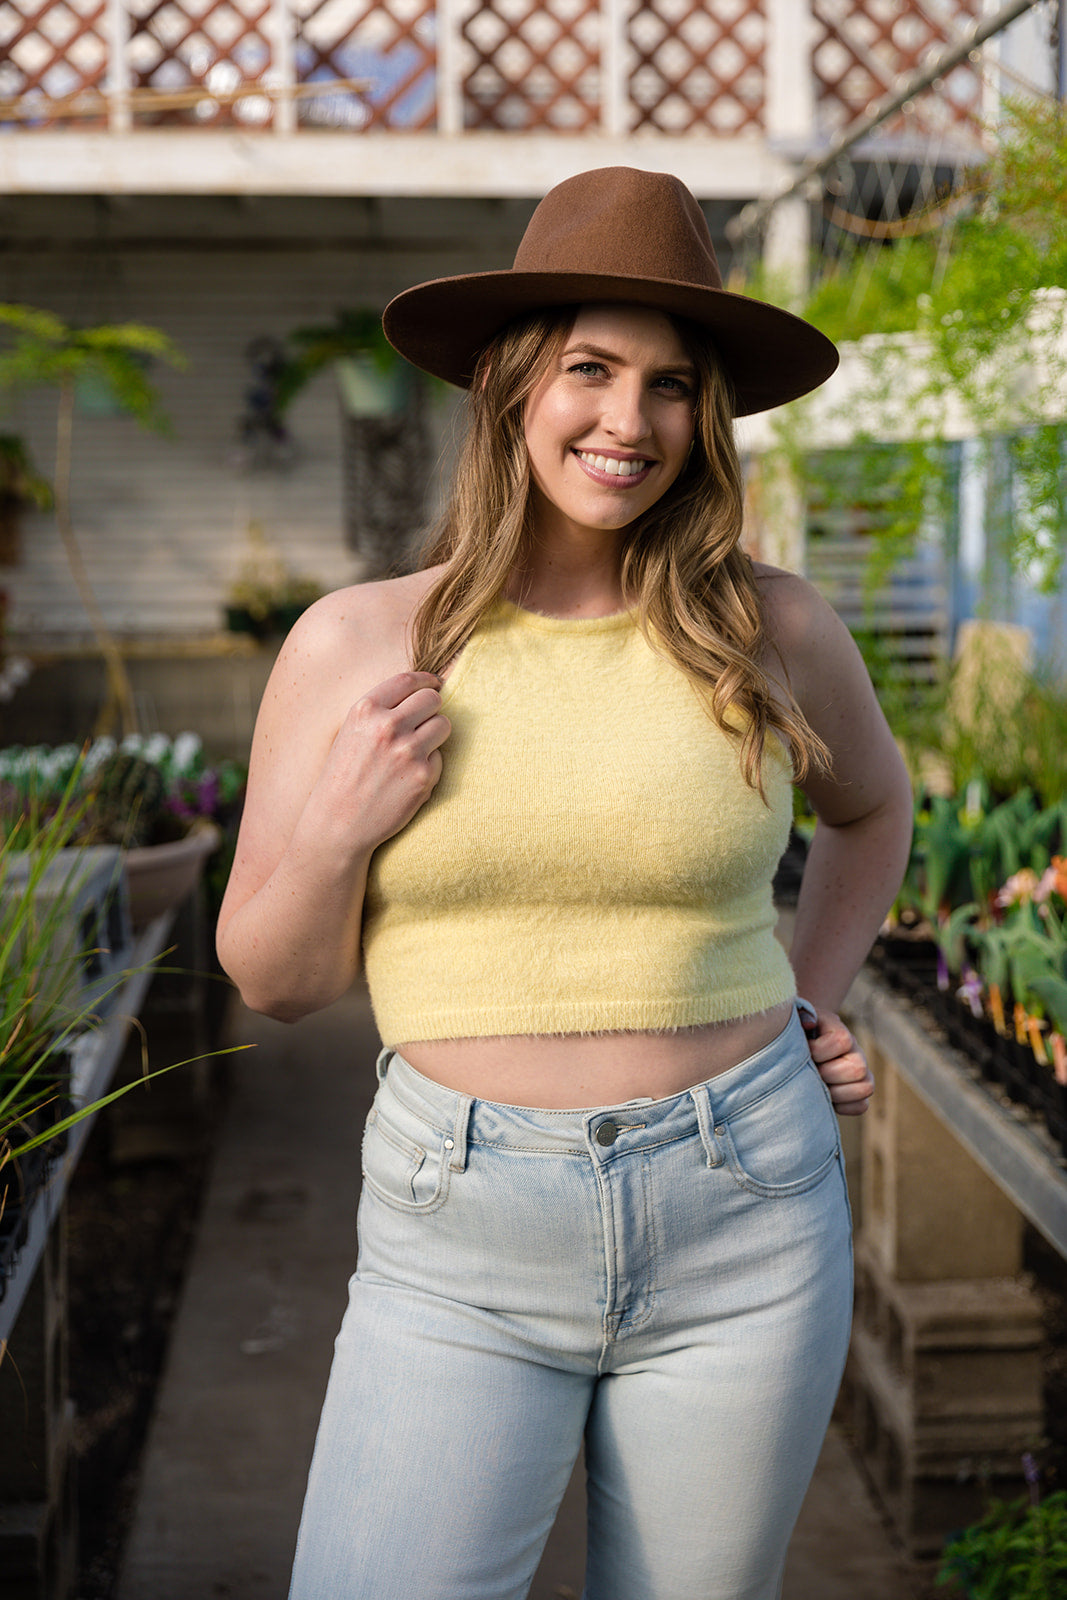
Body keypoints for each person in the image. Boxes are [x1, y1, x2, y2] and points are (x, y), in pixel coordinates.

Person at [216, 167, 914, 1600]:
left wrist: (806, 999)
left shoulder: (767, 625)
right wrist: (343, 829)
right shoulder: (359, 647)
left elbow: (875, 806)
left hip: (750, 1210)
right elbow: (275, 984)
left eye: (671, 384)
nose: (628, 421)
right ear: (510, 386)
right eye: (590, 369)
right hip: (458, 1233)